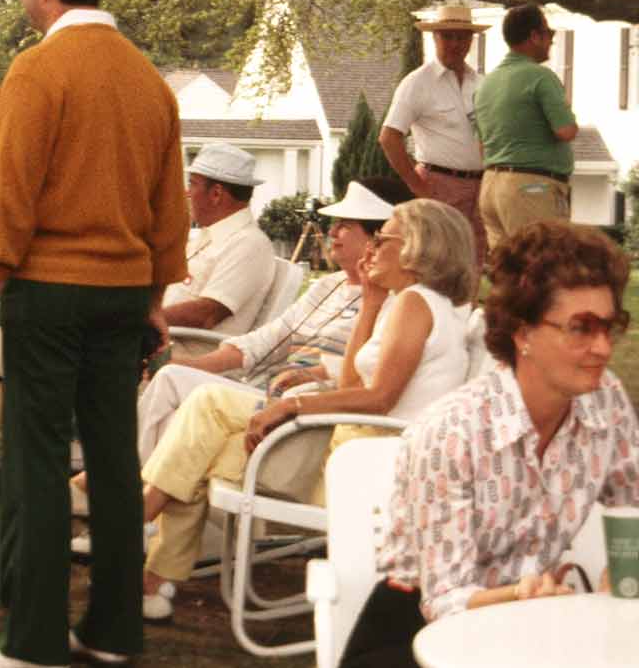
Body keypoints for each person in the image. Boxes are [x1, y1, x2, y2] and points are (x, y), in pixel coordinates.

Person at [0, 0, 189, 668]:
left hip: (51, 291)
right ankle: (115, 631)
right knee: (117, 462)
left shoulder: (39, 69)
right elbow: (169, 210)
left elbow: (10, 194)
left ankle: (32, 641)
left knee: (36, 457)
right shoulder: (150, 80)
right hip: (124, 294)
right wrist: (155, 294)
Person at [135, 198, 475, 622]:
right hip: (348, 446)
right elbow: (353, 385)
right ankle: (147, 572)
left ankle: (135, 550)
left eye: (382, 238)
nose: (370, 250)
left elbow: (378, 399)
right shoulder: (407, 302)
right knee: (198, 436)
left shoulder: (416, 304)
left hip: (359, 466)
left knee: (201, 421)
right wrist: (370, 301)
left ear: (417, 247)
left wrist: (292, 406)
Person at [341, 221, 639, 667]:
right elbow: (444, 599)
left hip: (534, 625)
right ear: (522, 334)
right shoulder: (453, 431)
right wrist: (523, 594)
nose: (601, 347)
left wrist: (620, 575)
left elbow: (631, 505)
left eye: (609, 326)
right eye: (581, 328)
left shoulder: (605, 401)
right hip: (415, 636)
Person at [67, 176, 413, 533]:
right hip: (270, 391)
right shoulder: (329, 286)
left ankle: (105, 490)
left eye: (345, 225)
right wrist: (192, 365)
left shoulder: (391, 302)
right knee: (172, 376)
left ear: (376, 238)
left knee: (186, 395)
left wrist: (320, 373)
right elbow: (268, 339)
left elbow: (368, 375)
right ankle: (120, 494)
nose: (332, 230)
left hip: (306, 411)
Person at [379, 3, 486, 261]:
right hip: (439, 183)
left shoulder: (481, 83)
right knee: (438, 262)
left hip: (480, 187)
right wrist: (418, 185)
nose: (455, 43)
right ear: (434, 37)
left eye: (461, 37)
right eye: (447, 36)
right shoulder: (418, 83)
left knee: (473, 260)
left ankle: (467, 304)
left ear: (471, 40)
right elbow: (389, 137)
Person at [473, 3, 577, 252]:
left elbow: (481, 144)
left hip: (490, 185)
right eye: (548, 34)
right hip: (532, 187)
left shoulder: (486, 84)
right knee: (542, 264)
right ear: (534, 36)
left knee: (507, 271)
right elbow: (566, 131)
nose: (551, 41)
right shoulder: (541, 76)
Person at [163, 142, 277, 335]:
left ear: (216, 194)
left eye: (192, 184)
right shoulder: (207, 237)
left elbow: (206, 314)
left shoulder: (249, 244)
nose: (186, 192)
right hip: (161, 344)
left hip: (187, 357)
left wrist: (138, 319)